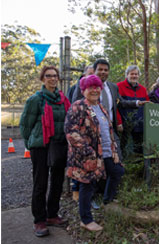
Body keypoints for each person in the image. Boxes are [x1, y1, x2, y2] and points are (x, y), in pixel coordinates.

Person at [64, 75, 124, 231]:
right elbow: (71, 132)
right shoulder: (79, 106)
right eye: (91, 87)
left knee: (117, 171)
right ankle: (86, 220)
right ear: (84, 90)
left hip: (106, 153)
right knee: (87, 185)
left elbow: (108, 131)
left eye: (97, 87)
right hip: (88, 155)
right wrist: (88, 153)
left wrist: (114, 150)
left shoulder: (101, 107)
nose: (95, 90)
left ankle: (107, 201)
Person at [20, 65, 70, 237]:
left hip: (58, 145)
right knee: (40, 183)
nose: (52, 78)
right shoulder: (36, 99)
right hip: (41, 147)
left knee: (57, 182)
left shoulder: (63, 99)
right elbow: (25, 125)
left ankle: (52, 215)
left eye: (55, 76)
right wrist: (31, 142)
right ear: (43, 78)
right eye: (48, 75)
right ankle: (39, 220)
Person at [68, 65, 94, 202]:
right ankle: (75, 190)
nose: (91, 77)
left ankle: (87, 196)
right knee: (78, 161)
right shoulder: (75, 89)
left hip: (92, 134)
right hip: (79, 133)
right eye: (89, 74)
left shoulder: (95, 92)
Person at [117, 65, 149, 156]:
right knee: (124, 149)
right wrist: (119, 122)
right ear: (127, 75)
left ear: (139, 75)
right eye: (132, 74)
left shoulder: (143, 89)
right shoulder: (119, 87)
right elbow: (116, 106)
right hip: (125, 126)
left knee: (138, 150)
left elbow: (147, 106)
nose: (134, 76)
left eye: (136, 74)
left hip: (140, 126)